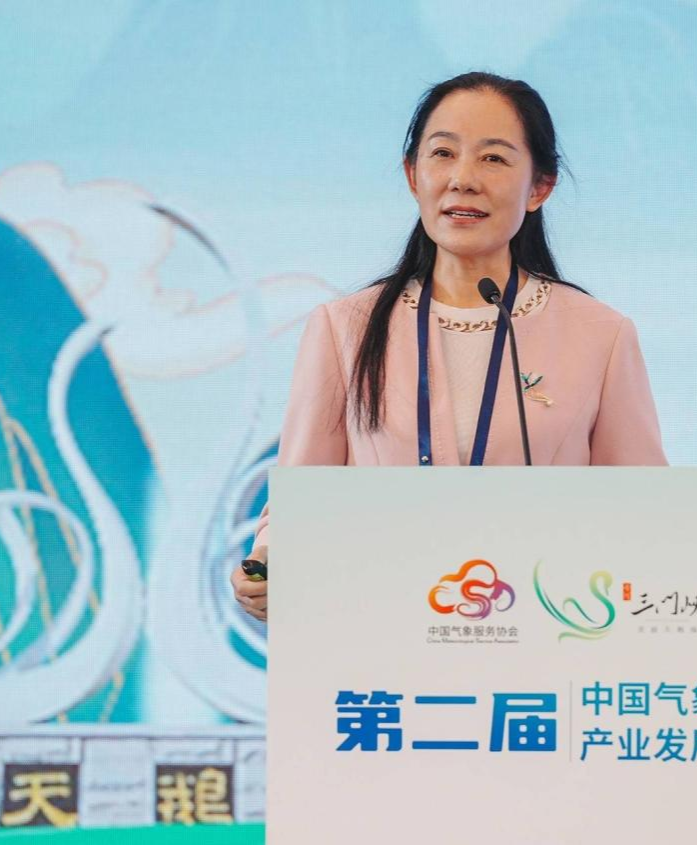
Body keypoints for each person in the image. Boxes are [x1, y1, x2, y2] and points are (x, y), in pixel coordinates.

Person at [232, 71, 667, 622]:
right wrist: (269, 564)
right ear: (413, 176)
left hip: (541, 632)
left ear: (539, 187)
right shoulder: (345, 328)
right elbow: (300, 501)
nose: (463, 179)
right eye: (443, 154)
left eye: (494, 158)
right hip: (382, 629)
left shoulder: (600, 334)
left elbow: (644, 511)